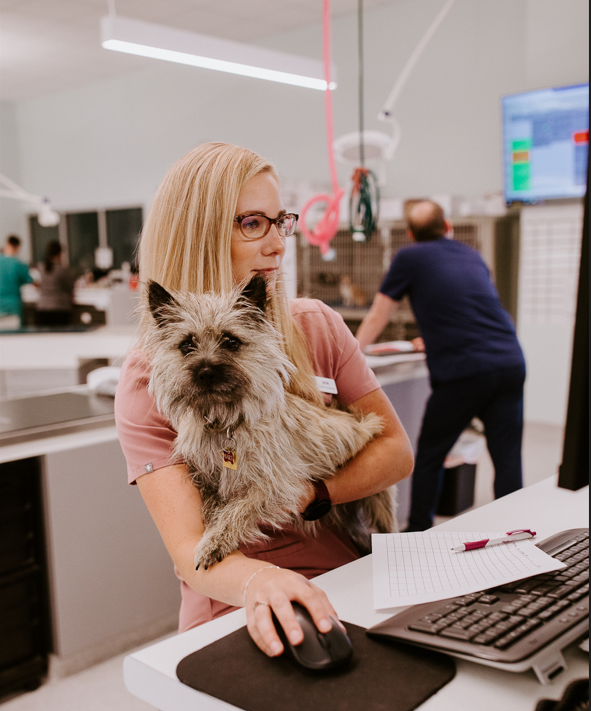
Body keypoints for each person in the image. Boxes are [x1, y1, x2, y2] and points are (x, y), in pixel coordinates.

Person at [114, 142, 413, 658]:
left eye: (281, 222)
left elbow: (394, 453)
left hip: (345, 572)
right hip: (237, 592)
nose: (277, 244)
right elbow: (192, 552)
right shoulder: (149, 380)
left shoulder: (316, 325)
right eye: (252, 223)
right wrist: (264, 582)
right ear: (197, 233)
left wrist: (308, 493)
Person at [356, 200, 526, 532]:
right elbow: (469, 309)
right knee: (507, 458)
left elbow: (379, 314)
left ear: (409, 234)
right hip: (509, 360)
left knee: (430, 455)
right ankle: (517, 533)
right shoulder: (472, 255)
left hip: (465, 371)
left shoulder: (408, 257)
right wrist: (434, 337)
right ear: (447, 226)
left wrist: (350, 353)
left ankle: (418, 530)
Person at [35, 241, 75, 327]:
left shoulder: (40, 268)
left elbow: (36, 283)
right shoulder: (62, 270)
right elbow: (70, 287)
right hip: (59, 308)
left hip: (42, 308)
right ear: (59, 254)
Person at [0, 235, 32, 329]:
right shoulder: (18, 264)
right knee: (15, 336)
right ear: (17, 247)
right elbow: (29, 280)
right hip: (13, 306)